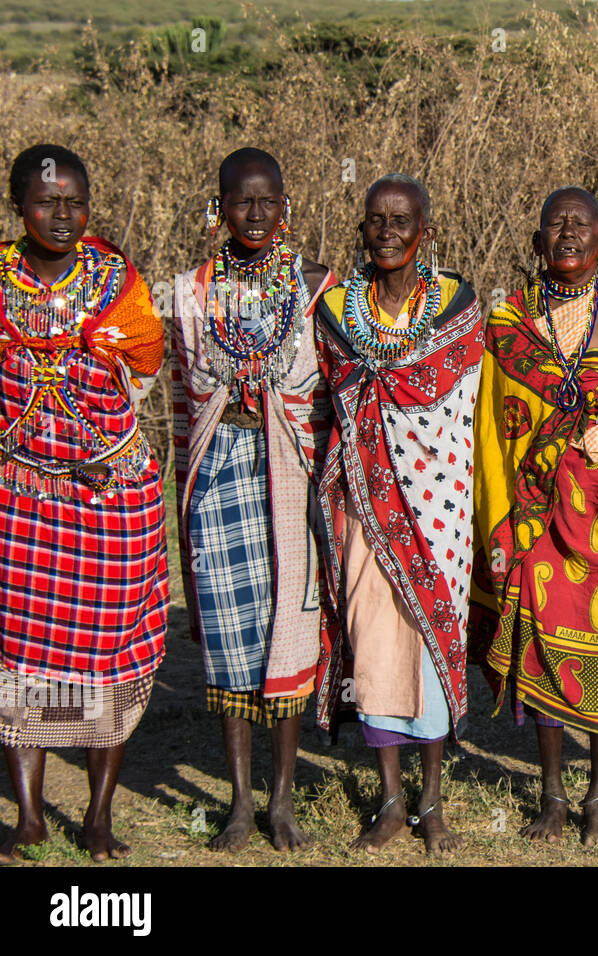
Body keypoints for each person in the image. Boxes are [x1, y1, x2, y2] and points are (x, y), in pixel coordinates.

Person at [469, 187, 598, 845]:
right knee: (543, 649)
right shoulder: (509, 322)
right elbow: (493, 428)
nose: (568, 233)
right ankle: (553, 797)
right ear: (536, 244)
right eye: (555, 224)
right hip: (537, 514)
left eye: (581, 224)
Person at [0, 145, 169, 862]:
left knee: (107, 652)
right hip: (22, 496)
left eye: (75, 202)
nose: (62, 215)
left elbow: (146, 361)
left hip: (109, 495)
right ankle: (31, 818)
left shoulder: (114, 281)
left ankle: (98, 817)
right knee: (23, 654)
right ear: (18, 208)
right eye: (46, 202)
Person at [172, 148, 336, 852]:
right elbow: (184, 405)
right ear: (220, 209)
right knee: (231, 643)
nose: (257, 214)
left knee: (289, 630)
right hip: (220, 478)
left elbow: (334, 399)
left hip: (291, 477)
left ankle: (282, 802)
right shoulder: (187, 293)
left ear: (287, 207)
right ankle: (239, 803)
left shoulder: (317, 288)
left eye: (269, 201)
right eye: (242, 201)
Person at [314, 174, 483, 854]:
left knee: (433, 635)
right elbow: (328, 403)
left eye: (401, 219)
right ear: (362, 230)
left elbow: (461, 402)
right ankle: (389, 800)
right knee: (375, 638)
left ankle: (433, 801)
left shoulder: (456, 305)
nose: (387, 230)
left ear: (426, 233)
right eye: (376, 219)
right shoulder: (333, 312)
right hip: (364, 503)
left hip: (439, 503)